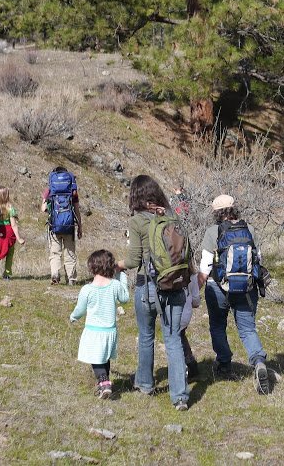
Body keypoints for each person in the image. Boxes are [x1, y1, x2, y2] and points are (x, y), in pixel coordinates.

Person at [116, 175, 190, 410]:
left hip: (148, 285)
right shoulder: (171, 217)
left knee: (146, 335)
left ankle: (146, 384)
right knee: (173, 339)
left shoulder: (137, 221)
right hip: (175, 283)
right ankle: (180, 396)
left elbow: (133, 260)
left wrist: (116, 264)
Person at [198, 194, 270, 395]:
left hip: (217, 287)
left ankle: (224, 365)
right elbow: (258, 259)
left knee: (218, 326)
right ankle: (257, 361)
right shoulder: (250, 229)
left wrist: (194, 291)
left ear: (216, 213)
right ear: (234, 209)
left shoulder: (212, 232)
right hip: (246, 287)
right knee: (247, 329)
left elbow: (205, 267)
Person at [70, 249, 130, 399]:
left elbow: (80, 309)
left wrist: (73, 317)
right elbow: (125, 298)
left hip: (93, 330)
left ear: (92, 267)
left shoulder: (87, 289)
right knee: (104, 357)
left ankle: (104, 382)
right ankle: (105, 383)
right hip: (110, 330)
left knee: (95, 358)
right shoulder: (115, 285)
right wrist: (121, 275)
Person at [41, 166, 82, 285]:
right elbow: (77, 210)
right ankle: (71, 279)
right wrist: (80, 226)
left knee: (55, 253)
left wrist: (51, 209)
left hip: (54, 226)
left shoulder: (49, 190)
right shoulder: (72, 192)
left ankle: (55, 275)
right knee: (70, 252)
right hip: (69, 226)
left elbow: (43, 208)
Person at [0, 187, 25, 280]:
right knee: (9, 252)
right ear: (7, 195)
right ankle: (7, 273)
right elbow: (14, 225)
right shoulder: (10, 208)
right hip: (8, 232)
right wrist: (19, 238)